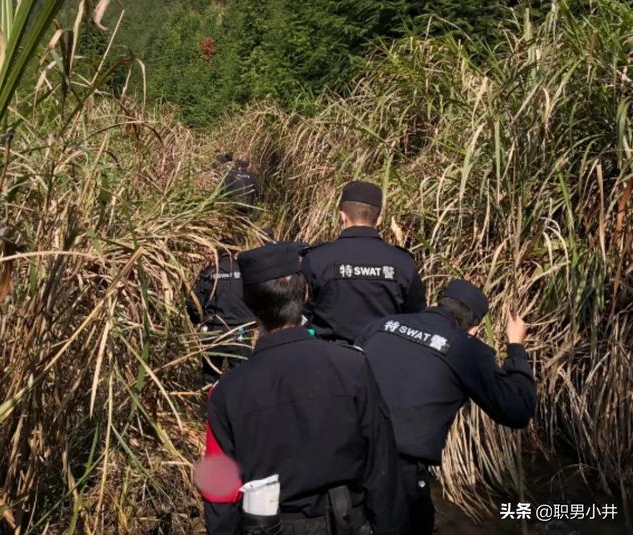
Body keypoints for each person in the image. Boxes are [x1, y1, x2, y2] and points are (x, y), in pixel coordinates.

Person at [201, 242, 408, 535]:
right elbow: (382, 470)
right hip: (347, 522)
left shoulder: (226, 392)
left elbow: (219, 495)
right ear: (306, 293)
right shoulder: (353, 368)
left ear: (250, 306)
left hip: (271, 526)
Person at [356, 279, 537, 534]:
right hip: (397, 474)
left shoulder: (381, 325)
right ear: (473, 329)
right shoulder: (466, 348)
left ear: (436, 303)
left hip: (347, 454)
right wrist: (516, 347)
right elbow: (517, 410)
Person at [301, 180, 426, 344]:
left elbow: (302, 312)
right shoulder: (403, 262)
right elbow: (416, 317)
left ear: (342, 216)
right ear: (380, 219)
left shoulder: (317, 259)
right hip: (383, 361)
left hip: (328, 361)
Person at [187, 240, 255, 384]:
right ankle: (238, 404)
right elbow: (258, 298)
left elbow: (194, 302)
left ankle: (212, 403)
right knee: (242, 378)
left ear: (217, 253)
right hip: (239, 332)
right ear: (236, 253)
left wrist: (198, 320)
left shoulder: (210, 273)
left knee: (210, 377)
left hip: (213, 331)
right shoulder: (247, 273)